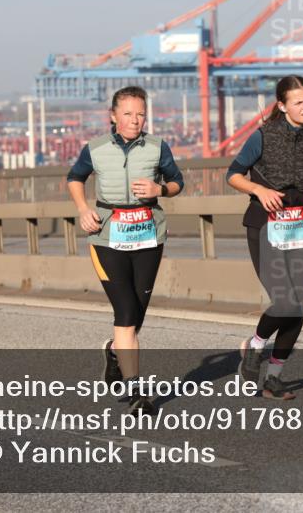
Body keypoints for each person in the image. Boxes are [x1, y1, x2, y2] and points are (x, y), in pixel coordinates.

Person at [227, 75, 303, 400]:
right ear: (282, 106)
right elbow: (233, 174)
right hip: (264, 224)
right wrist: (259, 189)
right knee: (284, 301)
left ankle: (274, 378)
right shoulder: (263, 136)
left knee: (298, 306)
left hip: (299, 225)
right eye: (299, 102)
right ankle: (254, 346)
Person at [67, 86, 184, 415]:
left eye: (141, 113)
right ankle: (137, 394)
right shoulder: (96, 148)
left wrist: (160, 188)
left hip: (149, 236)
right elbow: (75, 178)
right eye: (129, 114)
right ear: (113, 116)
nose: (136, 120)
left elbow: (177, 183)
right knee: (126, 312)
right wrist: (82, 209)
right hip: (107, 237)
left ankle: (115, 352)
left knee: (137, 313)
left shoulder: (158, 147)